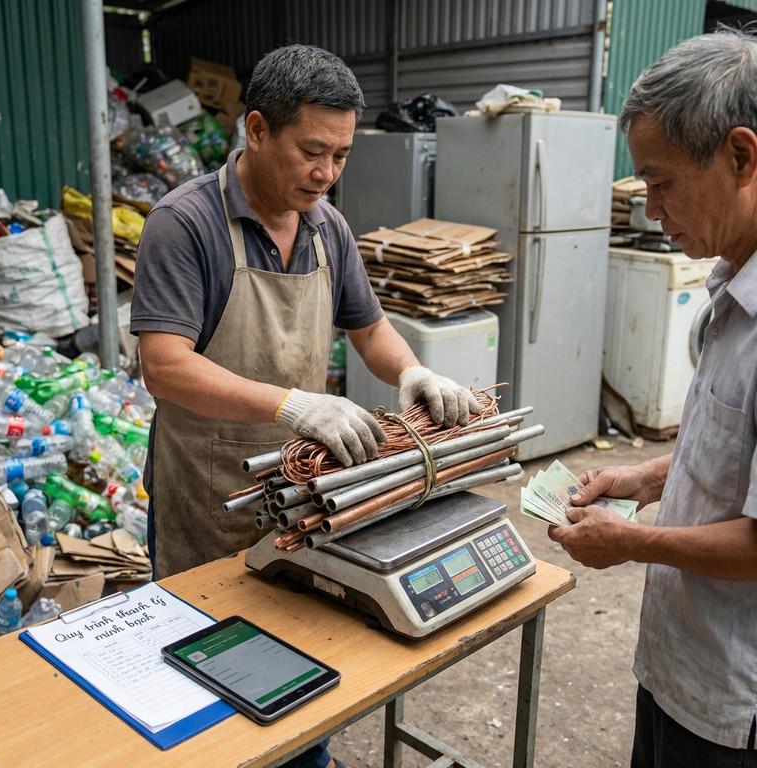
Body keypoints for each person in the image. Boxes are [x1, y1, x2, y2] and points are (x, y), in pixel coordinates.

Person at [130, 45, 478, 578]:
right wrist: (295, 407)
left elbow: (370, 329)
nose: (326, 174)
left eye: (341, 156)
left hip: (302, 486)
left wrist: (412, 371)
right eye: (312, 151)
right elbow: (164, 366)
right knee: (205, 644)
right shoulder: (185, 223)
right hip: (207, 491)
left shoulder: (327, 227)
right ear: (257, 129)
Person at [547, 29, 757, 768]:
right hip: (677, 664)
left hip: (736, 705)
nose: (651, 208)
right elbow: (728, 450)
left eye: (662, 183)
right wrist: (642, 478)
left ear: (741, 156)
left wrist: (633, 541)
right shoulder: (733, 283)